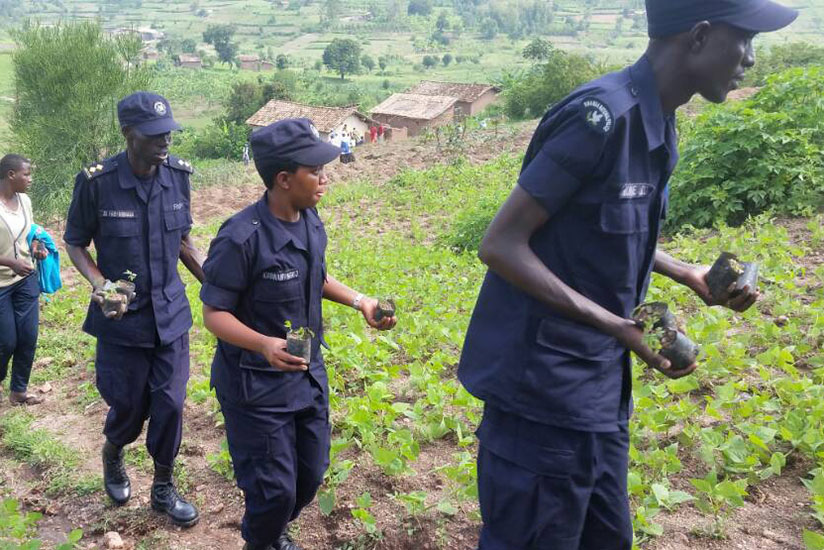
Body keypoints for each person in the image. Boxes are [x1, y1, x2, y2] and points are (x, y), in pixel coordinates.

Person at [457, 1, 794, 548]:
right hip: (542, 395)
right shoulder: (600, 118)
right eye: (745, 40)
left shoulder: (657, 119)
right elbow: (502, 245)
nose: (750, 59)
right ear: (700, 36)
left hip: (598, 391)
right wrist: (617, 326)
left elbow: (605, 228)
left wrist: (686, 272)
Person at [200, 118, 397, 550]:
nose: (325, 179)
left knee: (309, 475)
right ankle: (261, 540)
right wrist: (264, 344)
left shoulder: (309, 219)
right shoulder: (240, 238)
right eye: (315, 171)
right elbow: (214, 314)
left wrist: (360, 301)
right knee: (273, 490)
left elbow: (315, 277)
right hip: (255, 384)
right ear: (284, 179)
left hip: (306, 374)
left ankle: (271, 529)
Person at [64, 92, 205, 527]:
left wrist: (219, 287)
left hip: (170, 315)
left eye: (168, 133)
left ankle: (163, 486)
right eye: (154, 134)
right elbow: (75, 242)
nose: (165, 141)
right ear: (128, 133)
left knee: (171, 403)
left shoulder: (178, 176)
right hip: (122, 320)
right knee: (127, 406)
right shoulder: (96, 182)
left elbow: (183, 242)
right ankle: (113, 451)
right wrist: (101, 284)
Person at [0, 154, 47, 406]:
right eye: (26, 174)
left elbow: (30, 232)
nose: (30, 179)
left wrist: (37, 246)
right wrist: (11, 263)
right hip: (2, 283)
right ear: (11, 175)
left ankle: (19, 391)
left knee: (28, 337)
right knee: (6, 342)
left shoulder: (25, 201)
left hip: (26, 277)